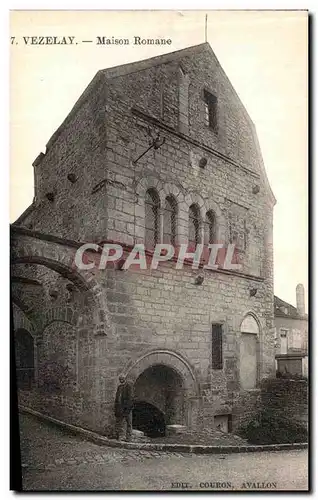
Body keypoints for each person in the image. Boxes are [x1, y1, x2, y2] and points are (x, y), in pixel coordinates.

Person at [114, 375, 134, 441]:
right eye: (120, 379)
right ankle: (119, 436)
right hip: (120, 408)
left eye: (122, 379)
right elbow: (117, 398)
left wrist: (128, 408)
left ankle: (129, 438)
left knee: (129, 423)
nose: (121, 380)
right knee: (120, 422)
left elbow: (130, 398)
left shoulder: (128, 386)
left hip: (127, 408)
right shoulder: (119, 387)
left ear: (125, 379)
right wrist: (116, 407)